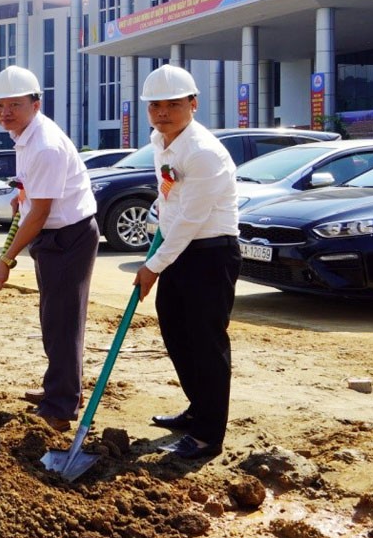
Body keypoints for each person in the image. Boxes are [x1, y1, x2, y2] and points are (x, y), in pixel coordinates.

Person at [133, 64, 241, 460]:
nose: (162, 112)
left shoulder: (203, 152)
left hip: (210, 254)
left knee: (206, 343)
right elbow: (169, 197)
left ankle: (208, 434)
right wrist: (159, 242)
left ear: (193, 104)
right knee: (177, 335)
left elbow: (192, 221)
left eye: (172, 104)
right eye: (154, 105)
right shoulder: (161, 141)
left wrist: (152, 266)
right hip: (178, 250)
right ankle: (197, 409)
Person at [0, 66, 99, 432]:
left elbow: (42, 213)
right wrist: (24, 195)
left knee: (63, 323)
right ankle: (59, 388)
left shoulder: (44, 144)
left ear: (36, 103)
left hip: (68, 236)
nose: (5, 112)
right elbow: (35, 197)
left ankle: (60, 408)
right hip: (55, 236)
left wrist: (6, 259)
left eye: (14, 105)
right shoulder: (25, 135)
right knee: (53, 319)